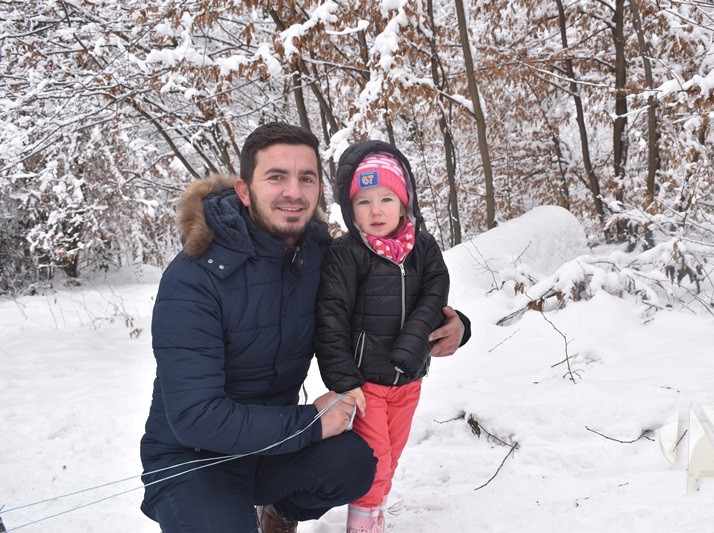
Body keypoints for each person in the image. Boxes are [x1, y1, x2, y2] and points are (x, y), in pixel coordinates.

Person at [139, 122, 471, 533]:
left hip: (273, 446)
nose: (293, 192)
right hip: (194, 457)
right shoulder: (194, 278)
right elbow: (196, 417)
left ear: (319, 190)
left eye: (306, 178)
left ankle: (280, 511)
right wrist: (310, 423)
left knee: (355, 462)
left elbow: (383, 302)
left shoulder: (319, 255)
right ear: (244, 190)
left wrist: (456, 325)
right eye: (276, 177)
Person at [314, 142, 450, 532]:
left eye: (386, 199)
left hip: (410, 379)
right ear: (350, 208)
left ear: (404, 204)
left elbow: (436, 293)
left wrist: (415, 342)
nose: (376, 211)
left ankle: (375, 513)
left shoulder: (423, 247)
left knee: (393, 454)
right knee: (376, 458)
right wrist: (344, 379)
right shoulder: (347, 253)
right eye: (364, 201)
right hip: (366, 383)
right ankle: (361, 522)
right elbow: (331, 317)